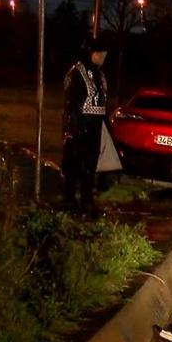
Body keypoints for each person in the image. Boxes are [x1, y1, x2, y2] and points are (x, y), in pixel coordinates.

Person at [62, 34, 109, 216]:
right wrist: (73, 129)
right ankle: (69, 200)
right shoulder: (76, 73)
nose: (102, 58)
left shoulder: (100, 75)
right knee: (73, 165)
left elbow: (103, 103)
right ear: (92, 53)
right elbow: (71, 103)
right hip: (79, 126)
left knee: (90, 165)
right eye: (100, 54)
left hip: (95, 127)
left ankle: (87, 200)